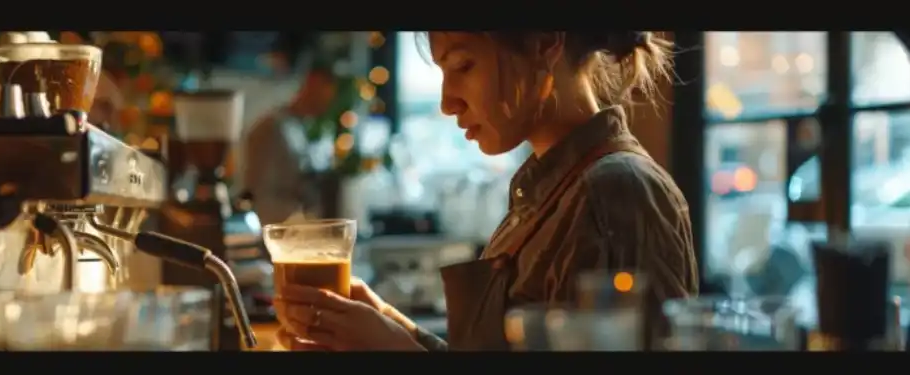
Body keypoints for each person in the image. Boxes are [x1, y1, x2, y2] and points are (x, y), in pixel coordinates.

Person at [275, 31, 699, 351]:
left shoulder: (617, 192)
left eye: (463, 67)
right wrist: (387, 325)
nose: (447, 102)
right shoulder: (547, 193)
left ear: (545, 42)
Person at [241, 67, 336, 225]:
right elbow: (258, 189)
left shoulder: (299, 127)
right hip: (275, 224)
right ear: (311, 84)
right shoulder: (272, 126)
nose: (327, 103)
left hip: (293, 222)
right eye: (324, 93)